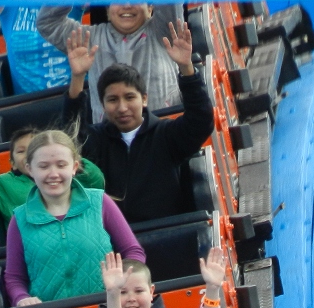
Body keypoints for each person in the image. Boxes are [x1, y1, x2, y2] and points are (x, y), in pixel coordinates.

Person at [64, 20, 214, 223]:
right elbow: (71, 138)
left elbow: (201, 120)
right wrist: (78, 77)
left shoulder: (166, 134)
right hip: (114, 245)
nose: (122, 107)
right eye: (113, 100)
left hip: (166, 234)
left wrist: (186, 67)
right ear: (102, 104)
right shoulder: (97, 140)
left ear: (144, 99)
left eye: (129, 97)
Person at [3, 130, 146, 306]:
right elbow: (14, 277)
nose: (53, 174)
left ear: (74, 167)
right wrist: (22, 298)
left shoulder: (100, 202)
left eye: (61, 165)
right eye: (43, 166)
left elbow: (133, 251)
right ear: (29, 168)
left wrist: (124, 284)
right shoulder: (19, 219)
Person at [36, 3, 183, 123]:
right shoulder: (89, 39)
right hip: (109, 144)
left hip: (163, 137)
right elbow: (47, 22)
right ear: (107, 10)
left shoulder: (164, 31)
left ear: (150, 8)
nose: (126, 5)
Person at [0, 126, 106, 220]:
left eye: (33, 149)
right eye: (21, 151)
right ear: (12, 163)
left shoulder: (64, 176)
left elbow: (97, 183)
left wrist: (80, 165)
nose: (28, 154)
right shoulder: (2, 185)